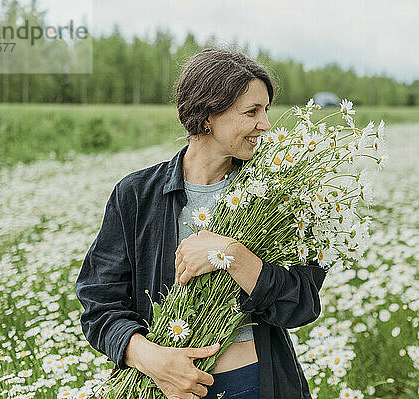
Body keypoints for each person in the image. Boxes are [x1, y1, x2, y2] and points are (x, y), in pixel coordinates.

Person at [75, 47, 327, 399]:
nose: (266, 125)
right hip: (162, 387)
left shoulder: (280, 197)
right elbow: (99, 302)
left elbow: (302, 302)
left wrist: (233, 255)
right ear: (208, 114)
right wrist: (152, 360)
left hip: (256, 385)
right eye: (251, 111)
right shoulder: (135, 195)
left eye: (266, 110)